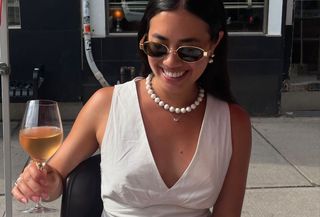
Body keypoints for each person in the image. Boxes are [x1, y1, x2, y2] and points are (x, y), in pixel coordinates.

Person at [12, 0, 252, 216]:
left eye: (189, 51)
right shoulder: (105, 105)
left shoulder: (233, 122)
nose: (170, 62)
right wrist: (40, 183)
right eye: (158, 47)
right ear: (143, 40)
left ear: (214, 43)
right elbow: (55, 176)